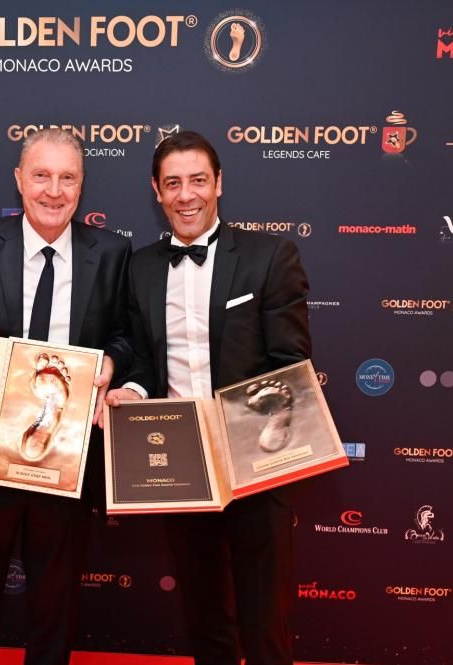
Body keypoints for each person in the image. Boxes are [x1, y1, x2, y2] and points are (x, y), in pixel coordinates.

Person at [106, 131, 311, 665]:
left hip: (258, 460)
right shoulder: (142, 267)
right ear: (156, 191)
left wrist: (239, 428)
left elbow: (291, 364)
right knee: (203, 615)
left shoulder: (270, 256)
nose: (186, 195)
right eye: (173, 183)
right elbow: (145, 360)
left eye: (198, 180)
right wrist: (132, 389)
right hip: (180, 465)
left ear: (219, 183)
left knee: (264, 621)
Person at [0, 127, 131, 665]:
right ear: (19, 180)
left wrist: (111, 362)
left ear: (81, 187)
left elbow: (124, 334)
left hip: (65, 462)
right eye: (42, 175)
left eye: (68, 178)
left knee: (55, 610)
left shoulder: (111, 253)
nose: (54, 190)